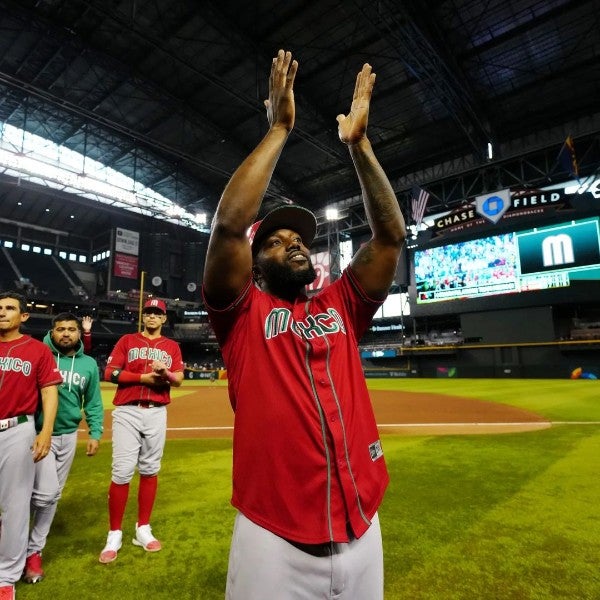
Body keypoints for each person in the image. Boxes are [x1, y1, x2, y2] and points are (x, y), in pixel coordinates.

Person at [202, 50, 406, 599]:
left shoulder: (339, 305)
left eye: (299, 240)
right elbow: (228, 226)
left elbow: (389, 238)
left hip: (363, 524)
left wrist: (359, 147)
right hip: (274, 537)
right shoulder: (241, 315)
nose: (293, 244)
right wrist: (280, 129)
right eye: (274, 240)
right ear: (254, 261)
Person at [98, 298, 184, 564]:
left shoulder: (172, 347)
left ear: (164, 319)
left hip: (157, 412)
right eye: (148, 312)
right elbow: (110, 373)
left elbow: (179, 380)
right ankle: (114, 533)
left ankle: (142, 528)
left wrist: (166, 373)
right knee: (122, 471)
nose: (152, 317)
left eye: (157, 313)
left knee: (150, 469)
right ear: (143, 316)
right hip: (128, 411)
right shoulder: (127, 341)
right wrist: (142, 378)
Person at [23, 313, 104, 584]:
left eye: (71, 329)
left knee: (52, 496)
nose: (66, 334)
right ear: (52, 332)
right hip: (36, 433)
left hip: (68, 436)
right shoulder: (38, 354)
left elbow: (92, 401)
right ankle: (16, 532)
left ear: (80, 334)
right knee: (44, 494)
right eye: (60, 329)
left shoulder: (89, 364)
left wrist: (95, 432)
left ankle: (33, 551)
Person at [0, 292, 61, 600]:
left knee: (15, 504)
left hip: (16, 429)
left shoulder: (37, 350)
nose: (2, 312)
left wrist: (45, 430)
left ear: (23, 316)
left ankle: (6, 576)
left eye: (10, 308)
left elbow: (50, 393)